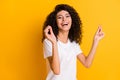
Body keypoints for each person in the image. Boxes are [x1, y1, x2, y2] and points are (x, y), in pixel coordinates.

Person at [42, 4, 104, 80]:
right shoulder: (49, 42)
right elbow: (56, 71)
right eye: (60, 17)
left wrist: (96, 41)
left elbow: (87, 63)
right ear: (55, 22)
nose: (64, 19)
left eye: (67, 16)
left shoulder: (73, 42)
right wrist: (54, 42)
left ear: (72, 20)